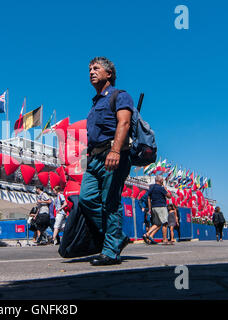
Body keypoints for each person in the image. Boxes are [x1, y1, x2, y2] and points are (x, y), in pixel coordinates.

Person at [78, 57, 134, 266]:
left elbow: (124, 122)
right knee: (86, 198)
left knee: (110, 203)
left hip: (113, 154)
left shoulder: (120, 96)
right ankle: (116, 236)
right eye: (89, 68)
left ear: (109, 74)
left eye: (96, 68)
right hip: (94, 159)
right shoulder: (95, 102)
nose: (91, 72)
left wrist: (116, 151)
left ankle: (111, 252)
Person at [143, 176, 172, 245]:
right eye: (162, 180)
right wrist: (166, 189)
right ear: (160, 181)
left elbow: (149, 198)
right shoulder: (161, 188)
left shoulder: (151, 188)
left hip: (154, 207)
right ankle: (165, 240)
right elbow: (169, 196)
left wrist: (150, 208)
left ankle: (147, 234)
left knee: (157, 223)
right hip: (161, 206)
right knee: (165, 223)